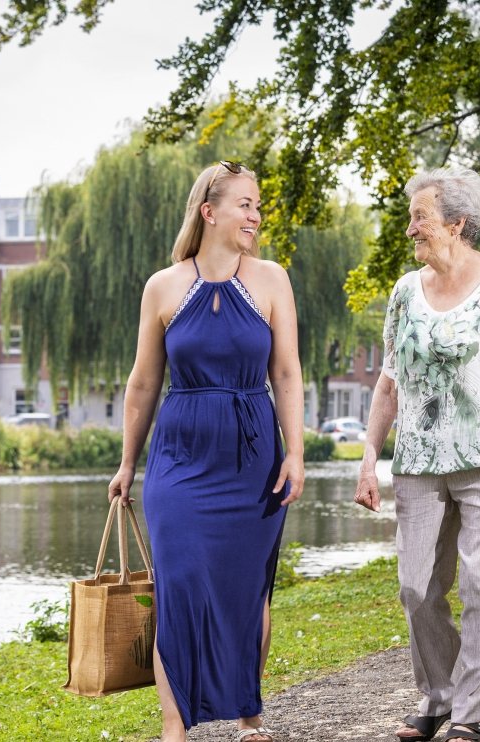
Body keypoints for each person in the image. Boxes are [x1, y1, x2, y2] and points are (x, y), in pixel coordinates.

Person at [353, 167, 480, 742]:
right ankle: (438, 695)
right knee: (416, 587)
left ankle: (467, 715)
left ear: (457, 223)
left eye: (420, 216)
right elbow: (388, 383)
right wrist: (369, 458)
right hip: (417, 460)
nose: (410, 227)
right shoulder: (403, 292)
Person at [108, 161, 306, 742]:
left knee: (249, 588)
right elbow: (143, 382)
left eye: (259, 206)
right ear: (209, 211)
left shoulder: (272, 279)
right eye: (246, 204)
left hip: (253, 458)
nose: (256, 215)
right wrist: (126, 463)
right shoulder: (162, 286)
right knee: (180, 584)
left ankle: (250, 716)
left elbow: (288, 373)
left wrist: (294, 452)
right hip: (180, 456)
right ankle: (175, 727)